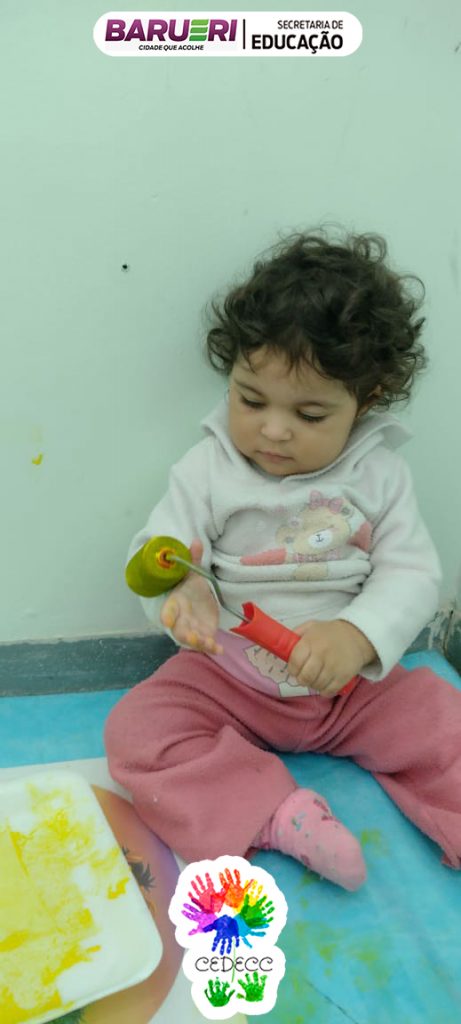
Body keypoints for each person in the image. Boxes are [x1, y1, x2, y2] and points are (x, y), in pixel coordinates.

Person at [105, 228, 461, 892]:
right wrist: (180, 590)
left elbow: (412, 573)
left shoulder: (379, 476)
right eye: (250, 399)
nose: (272, 429)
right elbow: (156, 548)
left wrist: (357, 636)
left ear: (366, 401)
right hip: (229, 683)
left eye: (309, 414)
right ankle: (275, 815)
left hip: (354, 693)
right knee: (137, 730)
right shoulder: (207, 469)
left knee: (447, 721)